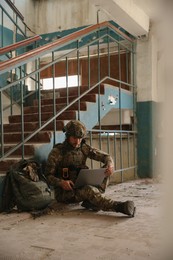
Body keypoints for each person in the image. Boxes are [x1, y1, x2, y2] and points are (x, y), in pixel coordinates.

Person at [45, 120, 136, 217]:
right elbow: (48, 176)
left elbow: (106, 157)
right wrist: (61, 182)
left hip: (81, 184)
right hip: (65, 193)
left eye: (80, 138)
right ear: (68, 136)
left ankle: (93, 201)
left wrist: (110, 165)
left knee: (106, 169)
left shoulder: (83, 148)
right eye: (74, 138)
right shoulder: (57, 152)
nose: (77, 142)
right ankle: (119, 207)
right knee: (89, 190)